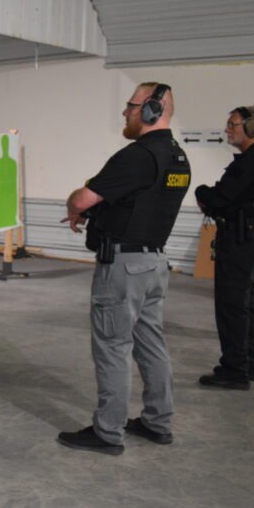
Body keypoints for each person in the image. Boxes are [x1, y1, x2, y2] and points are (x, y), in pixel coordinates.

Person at [59, 82, 190, 454]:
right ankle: (157, 421)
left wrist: (75, 205)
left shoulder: (138, 155)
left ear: (150, 109)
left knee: (113, 346)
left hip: (123, 266)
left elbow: (84, 197)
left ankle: (108, 431)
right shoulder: (178, 158)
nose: (125, 112)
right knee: (150, 343)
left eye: (131, 106)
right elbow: (138, 202)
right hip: (154, 264)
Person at [195, 105, 254, 390]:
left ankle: (234, 369)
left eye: (232, 124)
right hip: (253, 237)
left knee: (232, 303)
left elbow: (218, 199)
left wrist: (201, 191)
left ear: (250, 128)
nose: (227, 129)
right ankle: (249, 364)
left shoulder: (249, 162)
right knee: (245, 301)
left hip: (239, 240)